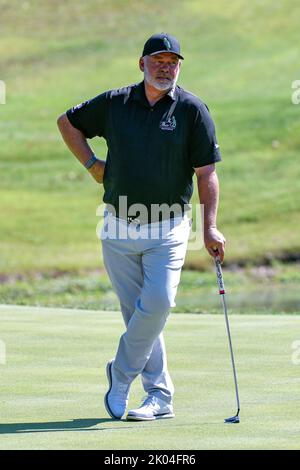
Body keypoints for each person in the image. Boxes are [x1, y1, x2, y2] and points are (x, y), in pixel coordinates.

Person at [57, 33, 226, 421]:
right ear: (142, 64)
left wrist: (210, 227)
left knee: (160, 303)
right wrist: (91, 164)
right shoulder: (115, 102)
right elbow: (67, 122)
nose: (165, 68)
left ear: (179, 66)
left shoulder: (192, 110)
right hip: (117, 225)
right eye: (158, 61)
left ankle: (120, 375)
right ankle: (160, 397)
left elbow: (207, 173)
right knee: (139, 317)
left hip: (168, 227)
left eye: (173, 62)